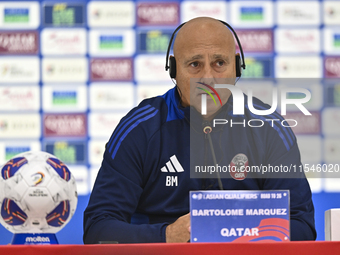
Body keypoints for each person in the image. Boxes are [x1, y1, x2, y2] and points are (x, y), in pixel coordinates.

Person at [83, 17, 316, 243]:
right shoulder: (140, 130)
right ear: (174, 70)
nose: (208, 78)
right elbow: (98, 228)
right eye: (195, 64)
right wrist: (166, 236)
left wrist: (234, 232)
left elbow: (301, 226)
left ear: (237, 67)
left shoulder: (268, 128)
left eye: (219, 63)